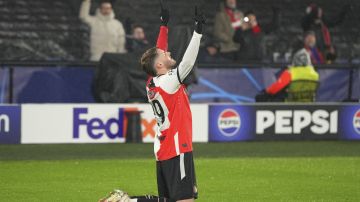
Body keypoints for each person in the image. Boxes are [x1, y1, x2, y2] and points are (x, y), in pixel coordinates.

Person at [98, 2, 206, 202]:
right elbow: (188, 62)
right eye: (166, 55)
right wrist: (198, 32)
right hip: (177, 147)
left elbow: (159, 50)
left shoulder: (154, 82)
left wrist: (164, 25)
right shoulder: (169, 82)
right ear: (159, 64)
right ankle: (127, 201)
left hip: (163, 148)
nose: (169, 53)